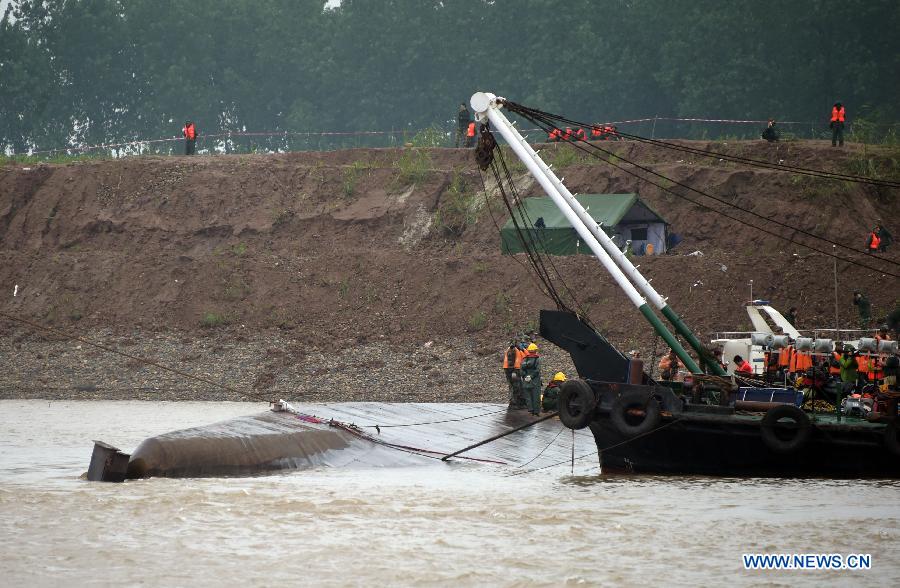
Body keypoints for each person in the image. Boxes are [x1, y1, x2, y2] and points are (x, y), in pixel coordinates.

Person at [519, 343, 543, 416]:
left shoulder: (524, 359)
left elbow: (521, 370)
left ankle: (530, 410)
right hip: (535, 380)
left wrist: (525, 376)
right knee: (536, 396)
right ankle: (536, 412)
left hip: (526, 380)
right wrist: (531, 376)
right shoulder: (537, 359)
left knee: (528, 396)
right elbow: (537, 370)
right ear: (535, 350)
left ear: (529, 351)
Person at [502, 341, 525, 408]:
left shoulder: (514, 350)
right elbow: (511, 362)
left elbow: (524, 356)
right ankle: (514, 403)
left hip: (510, 369)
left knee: (513, 386)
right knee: (515, 387)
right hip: (513, 369)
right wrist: (514, 371)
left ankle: (515, 402)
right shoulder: (513, 350)